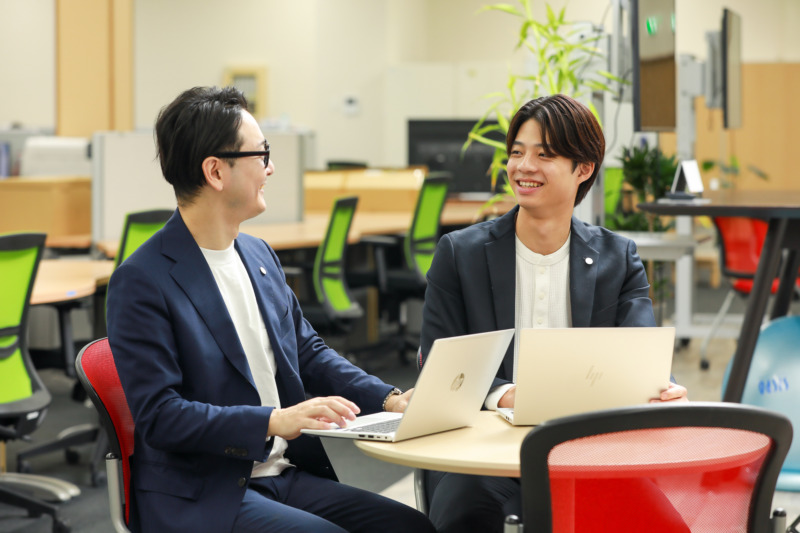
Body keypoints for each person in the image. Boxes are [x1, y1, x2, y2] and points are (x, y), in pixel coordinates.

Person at [105, 86, 435, 533]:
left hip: (280, 474)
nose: (271, 167)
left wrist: (390, 399)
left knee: (409, 526)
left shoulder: (258, 255)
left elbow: (309, 354)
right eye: (261, 154)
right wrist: (274, 421)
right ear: (215, 171)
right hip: (205, 491)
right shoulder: (143, 280)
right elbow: (162, 417)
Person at [418, 94, 689, 533]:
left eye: (544, 155)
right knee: (467, 517)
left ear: (583, 169)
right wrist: (507, 395)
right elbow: (438, 365)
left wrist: (663, 388)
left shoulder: (618, 258)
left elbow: (640, 357)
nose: (523, 167)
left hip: (587, 451)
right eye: (517, 153)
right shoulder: (459, 253)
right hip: (480, 456)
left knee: (664, 525)